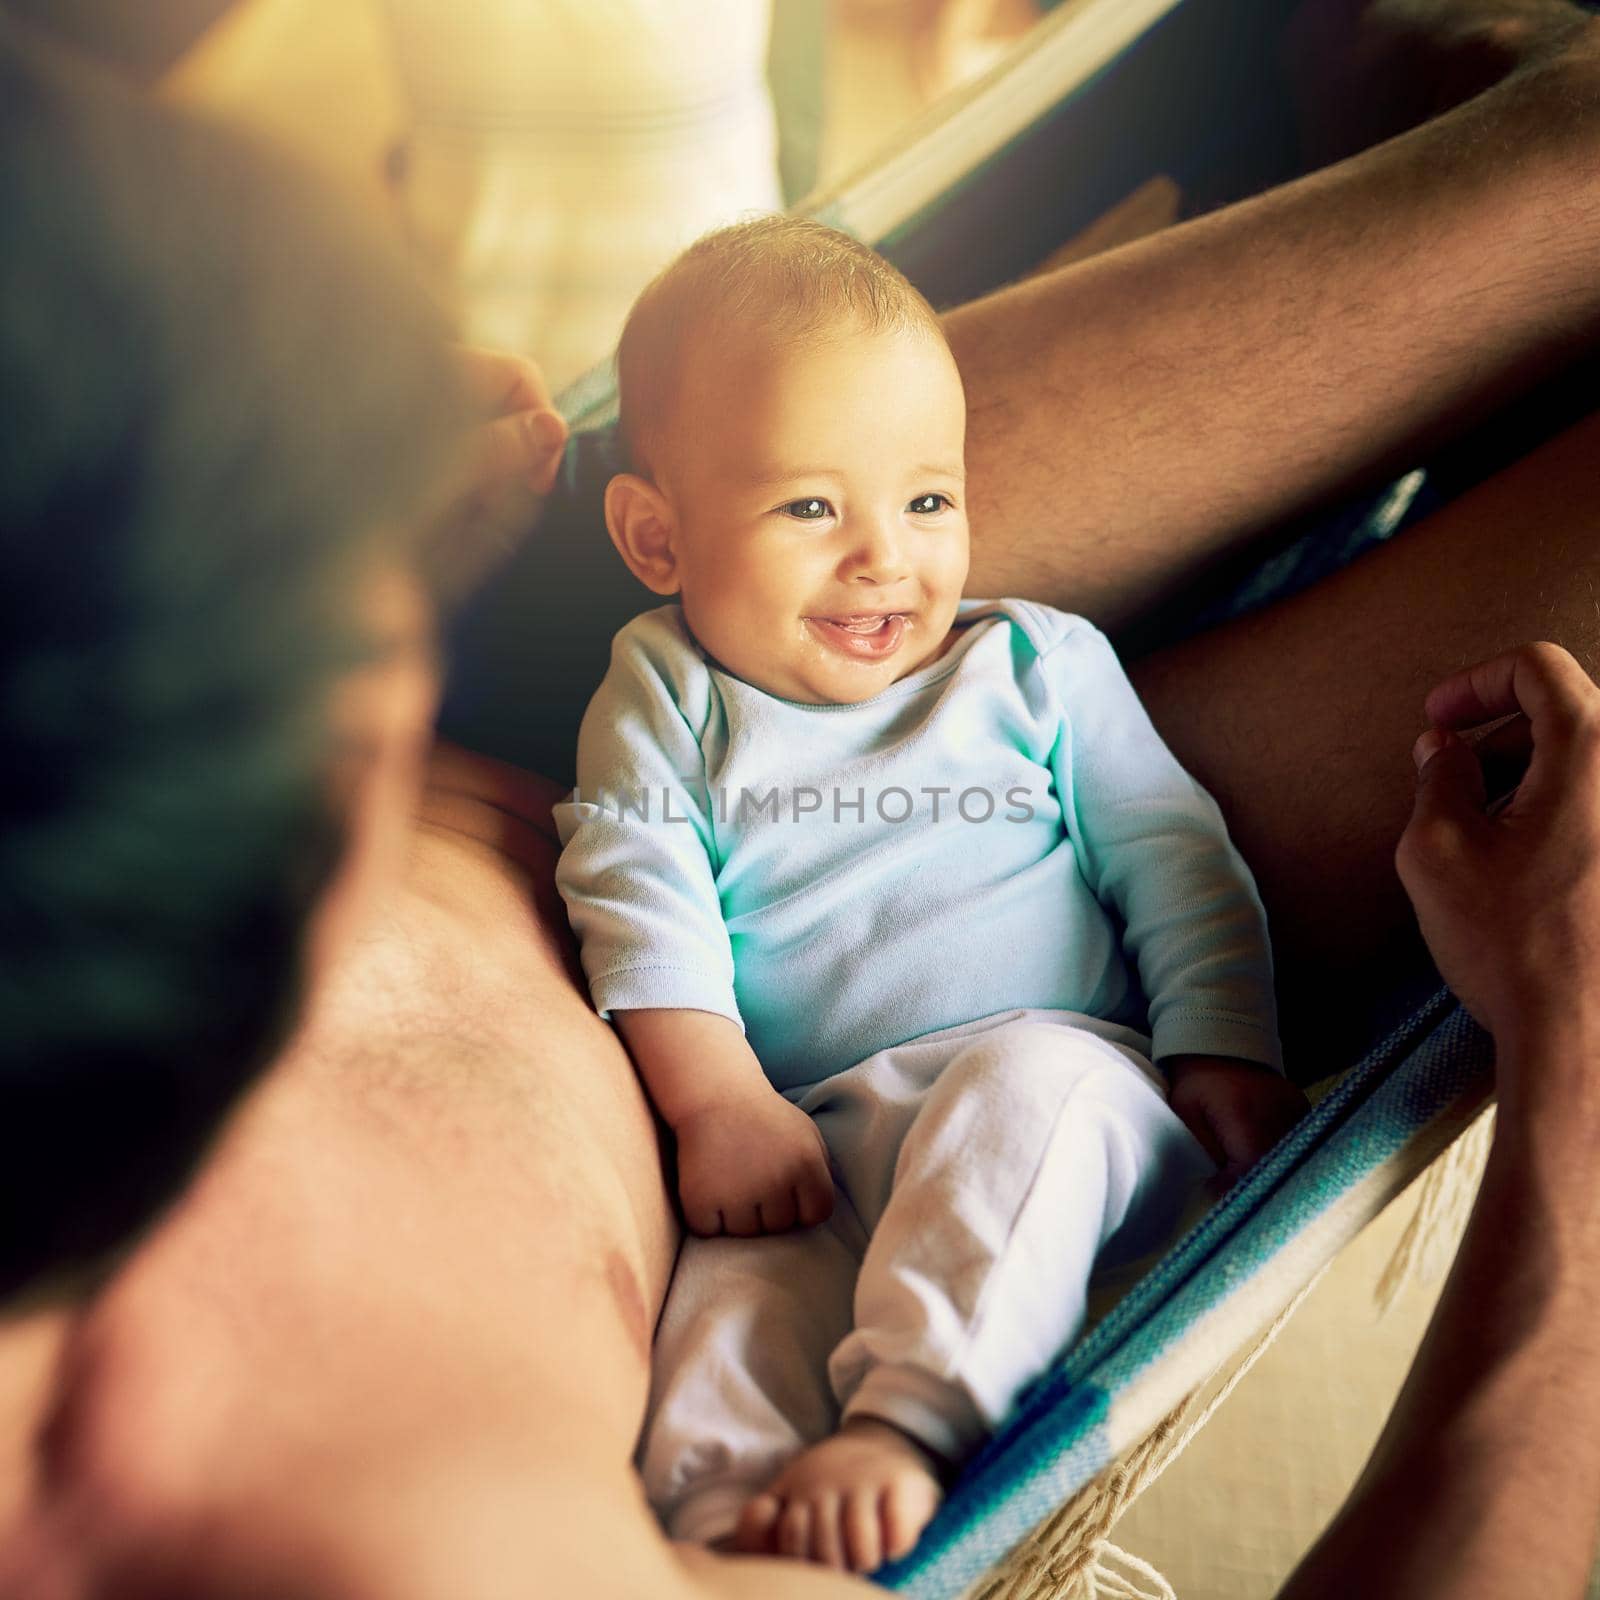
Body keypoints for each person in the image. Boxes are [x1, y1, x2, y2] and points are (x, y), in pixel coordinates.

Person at [0, 2, 1598, 1596]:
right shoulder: (388, 1547)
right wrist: (1576, 1106)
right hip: (829, 1074)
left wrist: (292, 547)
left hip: (583, 654)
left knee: (1574, 160)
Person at [556, 216, 1300, 1570]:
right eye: (810, 506)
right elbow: (637, 891)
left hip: (1069, 1084)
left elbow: (1169, 852)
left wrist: (1221, 1040)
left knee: (1024, 1100)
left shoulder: (1029, 666)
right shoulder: (665, 695)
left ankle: (908, 1422)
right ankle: (721, 1512)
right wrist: (720, 1104)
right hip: (808, 1135)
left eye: (928, 500)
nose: (884, 558)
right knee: (726, 1303)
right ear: (656, 536)